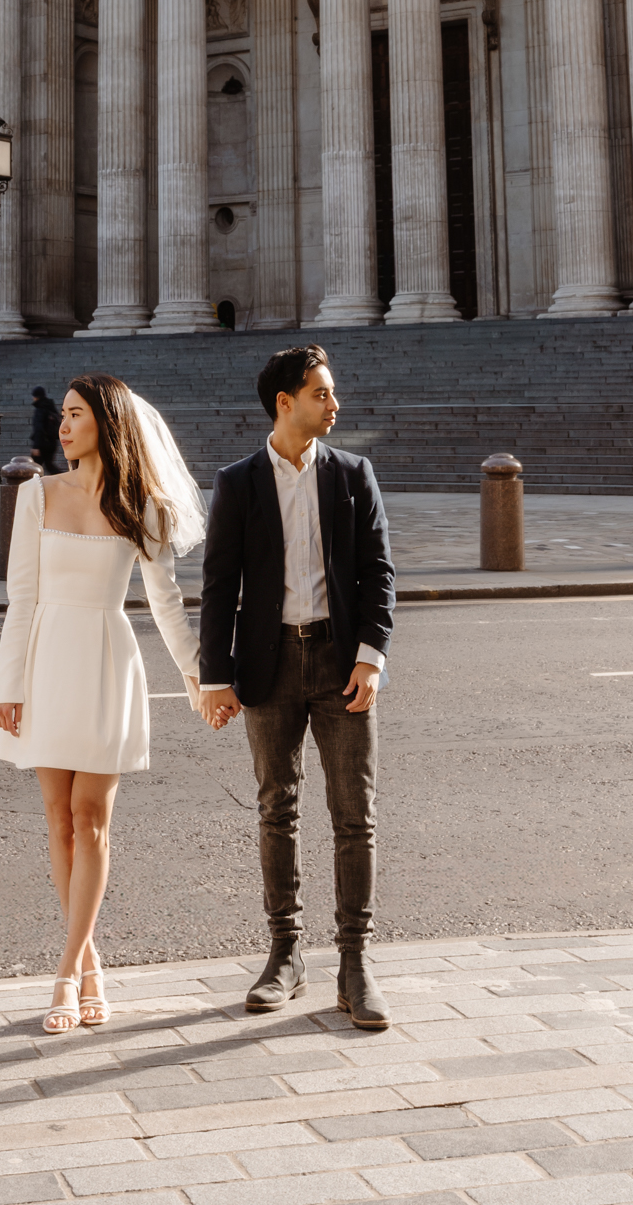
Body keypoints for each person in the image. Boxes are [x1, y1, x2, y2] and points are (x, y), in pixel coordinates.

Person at [0, 376, 204, 1034]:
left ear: (106, 424)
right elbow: (21, 597)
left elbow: (164, 602)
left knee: (92, 818)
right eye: (62, 414)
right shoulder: (35, 495)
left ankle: (63, 971)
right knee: (58, 819)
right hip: (48, 657)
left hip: (110, 658)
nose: (63, 426)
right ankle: (89, 963)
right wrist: (9, 683)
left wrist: (199, 676)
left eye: (76, 415)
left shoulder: (141, 504)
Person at [197, 343, 395, 1030]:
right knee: (276, 810)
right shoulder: (238, 482)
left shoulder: (352, 474)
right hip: (270, 665)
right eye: (322, 393)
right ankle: (285, 954)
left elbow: (378, 572)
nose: (335, 405)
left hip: (341, 664)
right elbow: (219, 586)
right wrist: (215, 677)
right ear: (286, 402)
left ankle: (354, 962)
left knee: (353, 815)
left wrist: (371, 655)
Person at [28, 384, 65, 473]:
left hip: (42, 444)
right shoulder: (51, 407)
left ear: (36, 397)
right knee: (49, 465)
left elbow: (39, 428)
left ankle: (31, 485)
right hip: (51, 443)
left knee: (32, 467)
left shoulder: (40, 409)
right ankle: (62, 480)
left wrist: (36, 446)